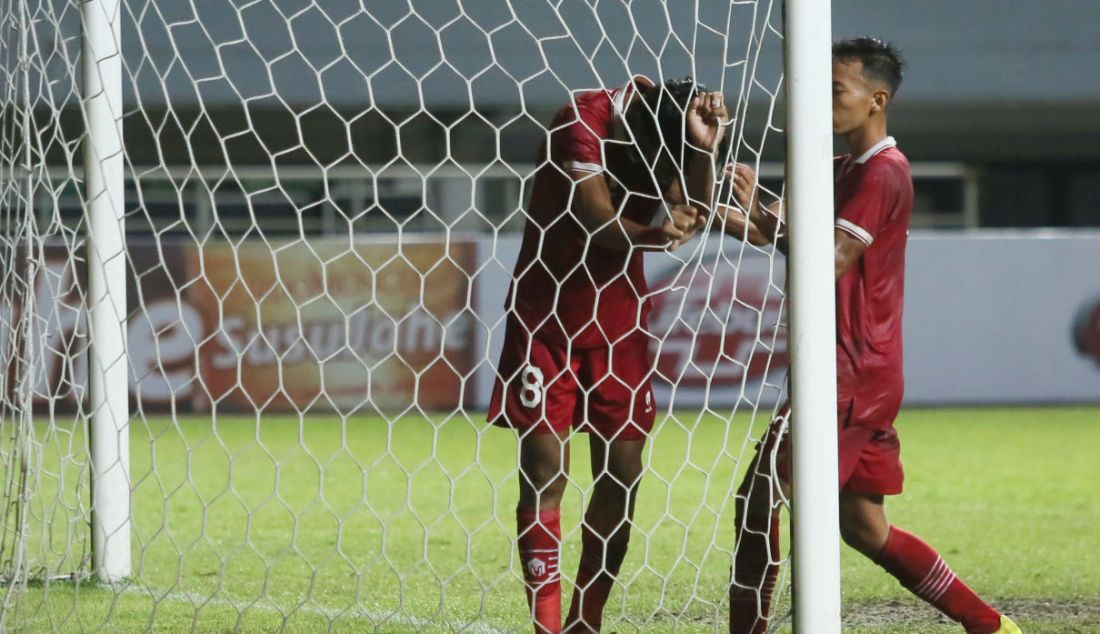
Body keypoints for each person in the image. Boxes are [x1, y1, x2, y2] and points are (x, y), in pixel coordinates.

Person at [724, 38, 1021, 634]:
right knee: (863, 526)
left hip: (845, 372)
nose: (821, 103)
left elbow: (830, 258)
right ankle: (988, 625)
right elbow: (782, 233)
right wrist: (738, 209)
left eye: (836, 91)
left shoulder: (884, 171)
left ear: (876, 99)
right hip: (865, 370)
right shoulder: (841, 169)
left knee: (758, 506)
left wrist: (762, 216)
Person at [488, 75, 729, 633]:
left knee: (622, 475)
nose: (657, 158)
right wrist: (659, 235)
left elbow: (693, 205)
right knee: (545, 471)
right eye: (659, 146)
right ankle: (547, 626)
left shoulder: (671, 132)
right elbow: (598, 219)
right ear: (639, 115)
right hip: (545, 319)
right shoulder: (580, 121)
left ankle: (586, 619)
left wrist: (703, 151)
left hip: (620, 326)